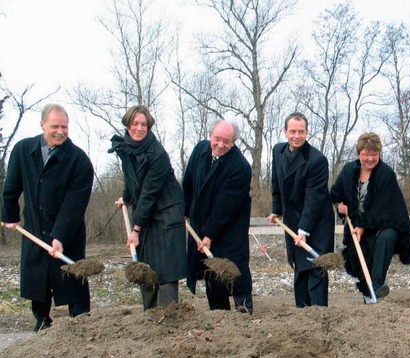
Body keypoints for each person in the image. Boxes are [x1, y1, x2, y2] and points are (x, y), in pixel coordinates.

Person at [1, 104, 94, 331]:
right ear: (42, 124)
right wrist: (10, 215)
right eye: (55, 126)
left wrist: (60, 235)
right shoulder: (23, 150)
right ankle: (41, 320)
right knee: (38, 277)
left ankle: (80, 321)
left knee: (72, 276)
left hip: (67, 231)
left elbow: (74, 205)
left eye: (64, 126)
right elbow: (11, 187)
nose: (60, 131)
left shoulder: (79, 160)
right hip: (33, 229)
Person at [110, 105, 187, 310]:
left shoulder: (158, 154)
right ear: (127, 125)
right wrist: (125, 198)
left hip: (167, 211)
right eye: (135, 123)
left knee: (166, 266)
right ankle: (150, 315)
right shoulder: (126, 147)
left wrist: (136, 229)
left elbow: (148, 193)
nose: (139, 128)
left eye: (144, 124)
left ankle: (169, 314)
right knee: (147, 263)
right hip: (147, 211)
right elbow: (131, 177)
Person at [330, 132, 410, 302]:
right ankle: (370, 295)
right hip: (355, 225)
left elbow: (385, 206)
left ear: (379, 154)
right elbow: (335, 194)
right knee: (362, 260)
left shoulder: (386, 174)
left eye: (374, 154)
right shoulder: (349, 170)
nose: (370, 159)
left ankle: (376, 286)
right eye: (366, 154)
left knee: (387, 238)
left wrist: (364, 226)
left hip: (383, 225)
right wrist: (339, 206)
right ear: (359, 154)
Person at [182, 120, 253, 313]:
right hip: (202, 222)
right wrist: (185, 211)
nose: (221, 145)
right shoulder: (199, 150)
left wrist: (209, 234)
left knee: (234, 270)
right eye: (217, 139)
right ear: (210, 136)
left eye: (227, 141)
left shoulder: (240, 167)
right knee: (211, 271)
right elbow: (188, 182)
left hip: (230, 228)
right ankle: (219, 314)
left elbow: (225, 207)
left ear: (234, 142)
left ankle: (243, 309)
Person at [267, 112, 335, 307]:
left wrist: (304, 230)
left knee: (315, 266)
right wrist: (277, 209)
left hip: (317, 221)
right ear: (285, 132)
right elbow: (276, 184)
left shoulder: (317, 160)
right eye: (292, 132)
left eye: (301, 132)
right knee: (299, 268)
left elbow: (314, 198)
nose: (297, 136)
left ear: (307, 132)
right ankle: (302, 314)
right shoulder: (278, 151)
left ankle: (319, 313)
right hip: (293, 219)